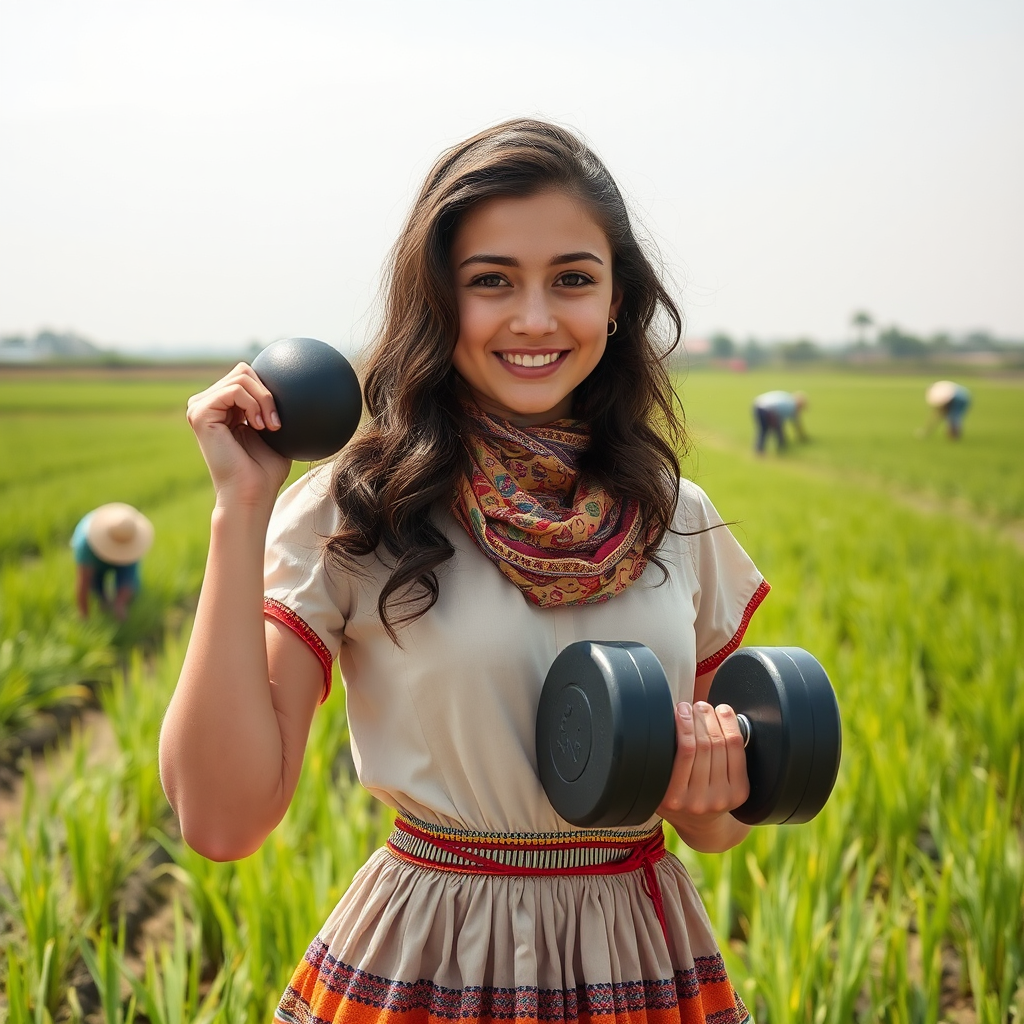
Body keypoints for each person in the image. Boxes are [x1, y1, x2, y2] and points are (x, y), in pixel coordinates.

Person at [160, 119, 772, 1024]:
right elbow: (223, 821)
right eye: (492, 282)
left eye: (572, 278)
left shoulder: (674, 519)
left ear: (616, 302)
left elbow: (713, 827)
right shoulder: (353, 513)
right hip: (429, 959)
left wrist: (713, 786)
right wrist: (239, 511)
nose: (535, 318)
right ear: (439, 301)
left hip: (635, 962)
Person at [71, 502, 154, 621]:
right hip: (94, 553)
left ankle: (118, 604)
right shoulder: (85, 545)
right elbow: (83, 583)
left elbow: (129, 576)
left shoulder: (128, 534)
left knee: (129, 583)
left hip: (123, 546)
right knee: (95, 582)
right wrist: (84, 616)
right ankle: (103, 600)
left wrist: (120, 603)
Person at [752, 389, 807, 454]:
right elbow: (796, 423)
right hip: (768, 409)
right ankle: (780, 447)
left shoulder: (787, 398)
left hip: (757, 405)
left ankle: (760, 448)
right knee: (774, 429)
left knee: (764, 429)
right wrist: (803, 437)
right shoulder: (791, 406)